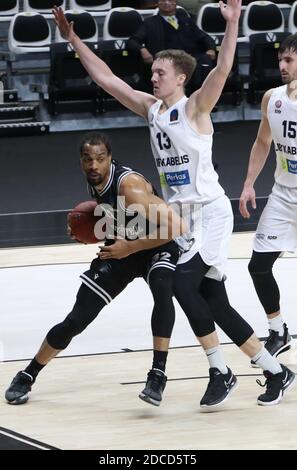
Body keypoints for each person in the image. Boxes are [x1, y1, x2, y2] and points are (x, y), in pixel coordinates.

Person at [51, 0, 296, 409]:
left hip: (210, 213)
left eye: (160, 72)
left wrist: (232, 24)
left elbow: (221, 70)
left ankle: (220, 370)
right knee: (214, 301)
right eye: (152, 72)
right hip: (181, 218)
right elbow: (109, 80)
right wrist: (74, 39)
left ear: (180, 77)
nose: (153, 77)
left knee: (182, 284)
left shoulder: (195, 107)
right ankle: (275, 370)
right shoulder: (152, 110)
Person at [5, 131, 190, 406]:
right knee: (77, 318)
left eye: (100, 159)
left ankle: (158, 374)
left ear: (110, 159)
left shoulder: (130, 186)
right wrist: (90, 228)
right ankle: (28, 374)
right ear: (81, 161)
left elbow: (177, 227)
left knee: (162, 288)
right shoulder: (95, 180)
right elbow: (121, 218)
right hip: (125, 243)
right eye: (88, 159)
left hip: (159, 243)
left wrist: (128, 247)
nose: (94, 165)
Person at [239, 34, 297, 365]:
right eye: (280, 60)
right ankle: (278, 331)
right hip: (283, 196)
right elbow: (263, 143)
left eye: (289, 60)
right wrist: (249, 184)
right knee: (258, 267)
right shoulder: (271, 98)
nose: (282, 66)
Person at [127, 0, 216, 93]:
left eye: (170, 0)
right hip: (167, 58)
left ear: (175, 3)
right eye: (163, 0)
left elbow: (204, 37)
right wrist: (142, 49)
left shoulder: (186, 20)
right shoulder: (150, 23)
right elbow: (132, 41)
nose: (167, 3)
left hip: (190, 57)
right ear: (158, 3)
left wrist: (211, 48)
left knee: (205, 60)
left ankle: (203, 99)